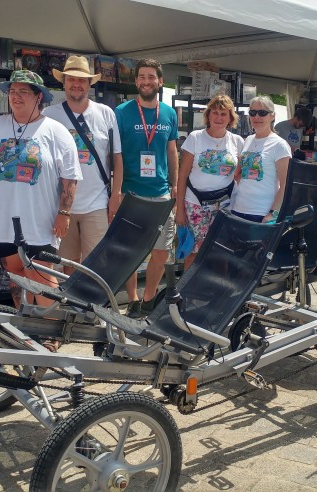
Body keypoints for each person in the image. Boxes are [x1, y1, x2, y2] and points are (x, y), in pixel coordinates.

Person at [0, 70, 81, 307]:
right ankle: (25, 322)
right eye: (12, 91)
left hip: (40, 221)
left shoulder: (56, 131)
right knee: (15, 275)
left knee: (40, 275)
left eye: (24, 91)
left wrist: (64, 213)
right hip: (3, 219)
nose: (16, 96)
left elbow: (70, 178)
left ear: (38, 97)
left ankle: (53, 325)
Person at [43, 55, 122, 273]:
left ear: (89, 84)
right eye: (71, 79)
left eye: (81, 80)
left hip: (96, 204)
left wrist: (116, 195)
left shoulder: (106, 113)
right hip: (60, 206)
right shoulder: (49, 115)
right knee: (65, 266)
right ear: (64, 82)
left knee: (96, 268)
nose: (76, 84)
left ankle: (88, 299)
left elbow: (117, 157)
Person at [114, 58, 178, 317]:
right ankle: (132, 299)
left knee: (161, 251)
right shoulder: (122, 112)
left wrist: (175, 185)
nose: (146, 81)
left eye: (151, 77)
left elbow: (172, 151)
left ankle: (149, 299)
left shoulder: (169, 113)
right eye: (142, 77)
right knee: (129, 252)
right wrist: (116, 191)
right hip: (131, 193)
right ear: (136, 81)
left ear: (160, 81)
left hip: (161, 194)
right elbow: (115, 154)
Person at [175, 94, 244, 269]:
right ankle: (189, 286)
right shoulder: (195, 138)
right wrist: (180, 209)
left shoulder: (237, 141)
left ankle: (218, 285)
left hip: (225, 204)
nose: (219, 118)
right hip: (195, 203)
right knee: (194, 252)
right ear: (208, 115)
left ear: (230, 118)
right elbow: (182, 176)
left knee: (222, 251)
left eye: (223, 114)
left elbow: (239, 173)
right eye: (215, 113)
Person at [231, 95, 290, 223]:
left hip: (262, 213)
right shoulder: (248, 140)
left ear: (272, 116)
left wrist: (272, 213)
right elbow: (238, 174)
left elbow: (285, 184)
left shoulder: (280, 145)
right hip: (238, 209)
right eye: (252, 113)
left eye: (262, 113)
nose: (256, 117)